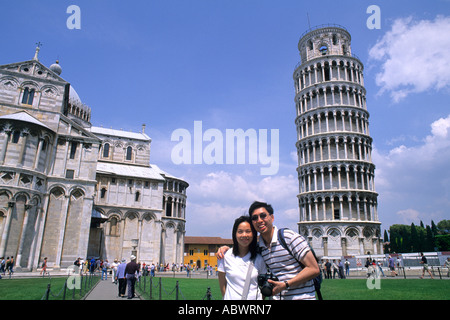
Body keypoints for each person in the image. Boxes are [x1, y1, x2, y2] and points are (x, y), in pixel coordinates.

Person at [217, 201, 320, 300]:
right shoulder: (260, 248)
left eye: (263, 216)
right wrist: (225, 249)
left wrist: (286, 285)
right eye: (255, 218)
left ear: (272, 217)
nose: (259, 220)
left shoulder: (288, 237)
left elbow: (314, 269)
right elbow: (243, 248)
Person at [217, 216, 267, 300]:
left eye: (248, 231)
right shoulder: (224, 256)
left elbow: (264, 285)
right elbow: (222, 285)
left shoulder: (259, 258)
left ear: (253, 234)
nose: (244, 235)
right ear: (235, 234)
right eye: (240, 232)